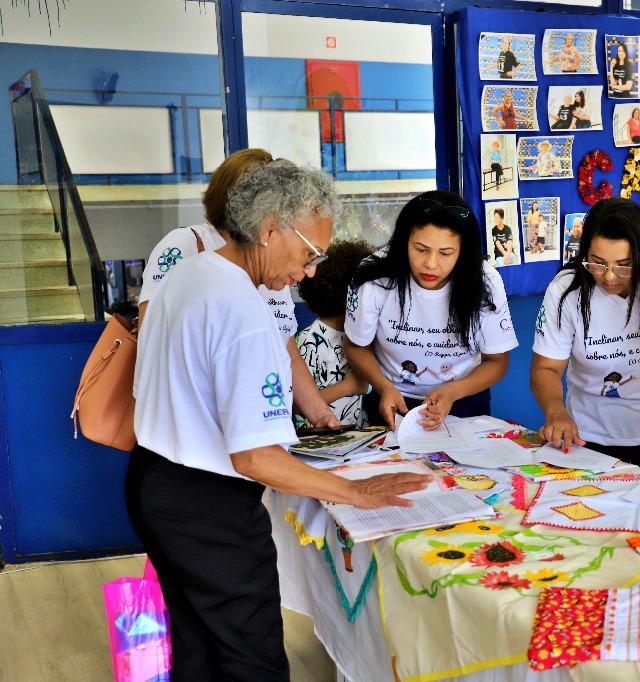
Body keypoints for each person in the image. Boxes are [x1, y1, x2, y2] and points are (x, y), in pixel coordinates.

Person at [127, 161, 431, 680]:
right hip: (209, 509)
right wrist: (354, 492)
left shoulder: (191, 272)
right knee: (254, 659)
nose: (310, 272)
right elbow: (254, 456)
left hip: (153, 483)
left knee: (198, 647)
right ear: (269, 230)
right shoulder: (242, 309)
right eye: (309, 255)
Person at [137, 148, 341, 430]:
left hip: (265, 430)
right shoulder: (184, 245)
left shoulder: (273, 265)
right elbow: (153, 340)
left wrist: (321, 416)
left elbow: (287, 351)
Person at [531, 197, 640, 473]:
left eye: (624, 264)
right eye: (597, 263)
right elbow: (546, 368)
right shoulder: (566, 291)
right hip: (586, 437)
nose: (609, 276)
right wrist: (556, 413)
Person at [344, 191, 519, 430]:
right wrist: (383, 386)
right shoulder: (375, 277)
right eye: (421, 249)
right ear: (404, 241)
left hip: (462, 398)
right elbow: (355, 345)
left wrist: (452, 391)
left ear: (463, 252)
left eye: (446, 253)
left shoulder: (485, 281)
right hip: (391, 398)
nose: (431, 264)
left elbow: (497, 361)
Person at [295, 239, 375, 426]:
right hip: (319, 442)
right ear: (348, 298)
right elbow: (294, 406)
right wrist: (348, 387)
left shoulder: (363, 337)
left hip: (360, 441)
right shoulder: (309, 341)